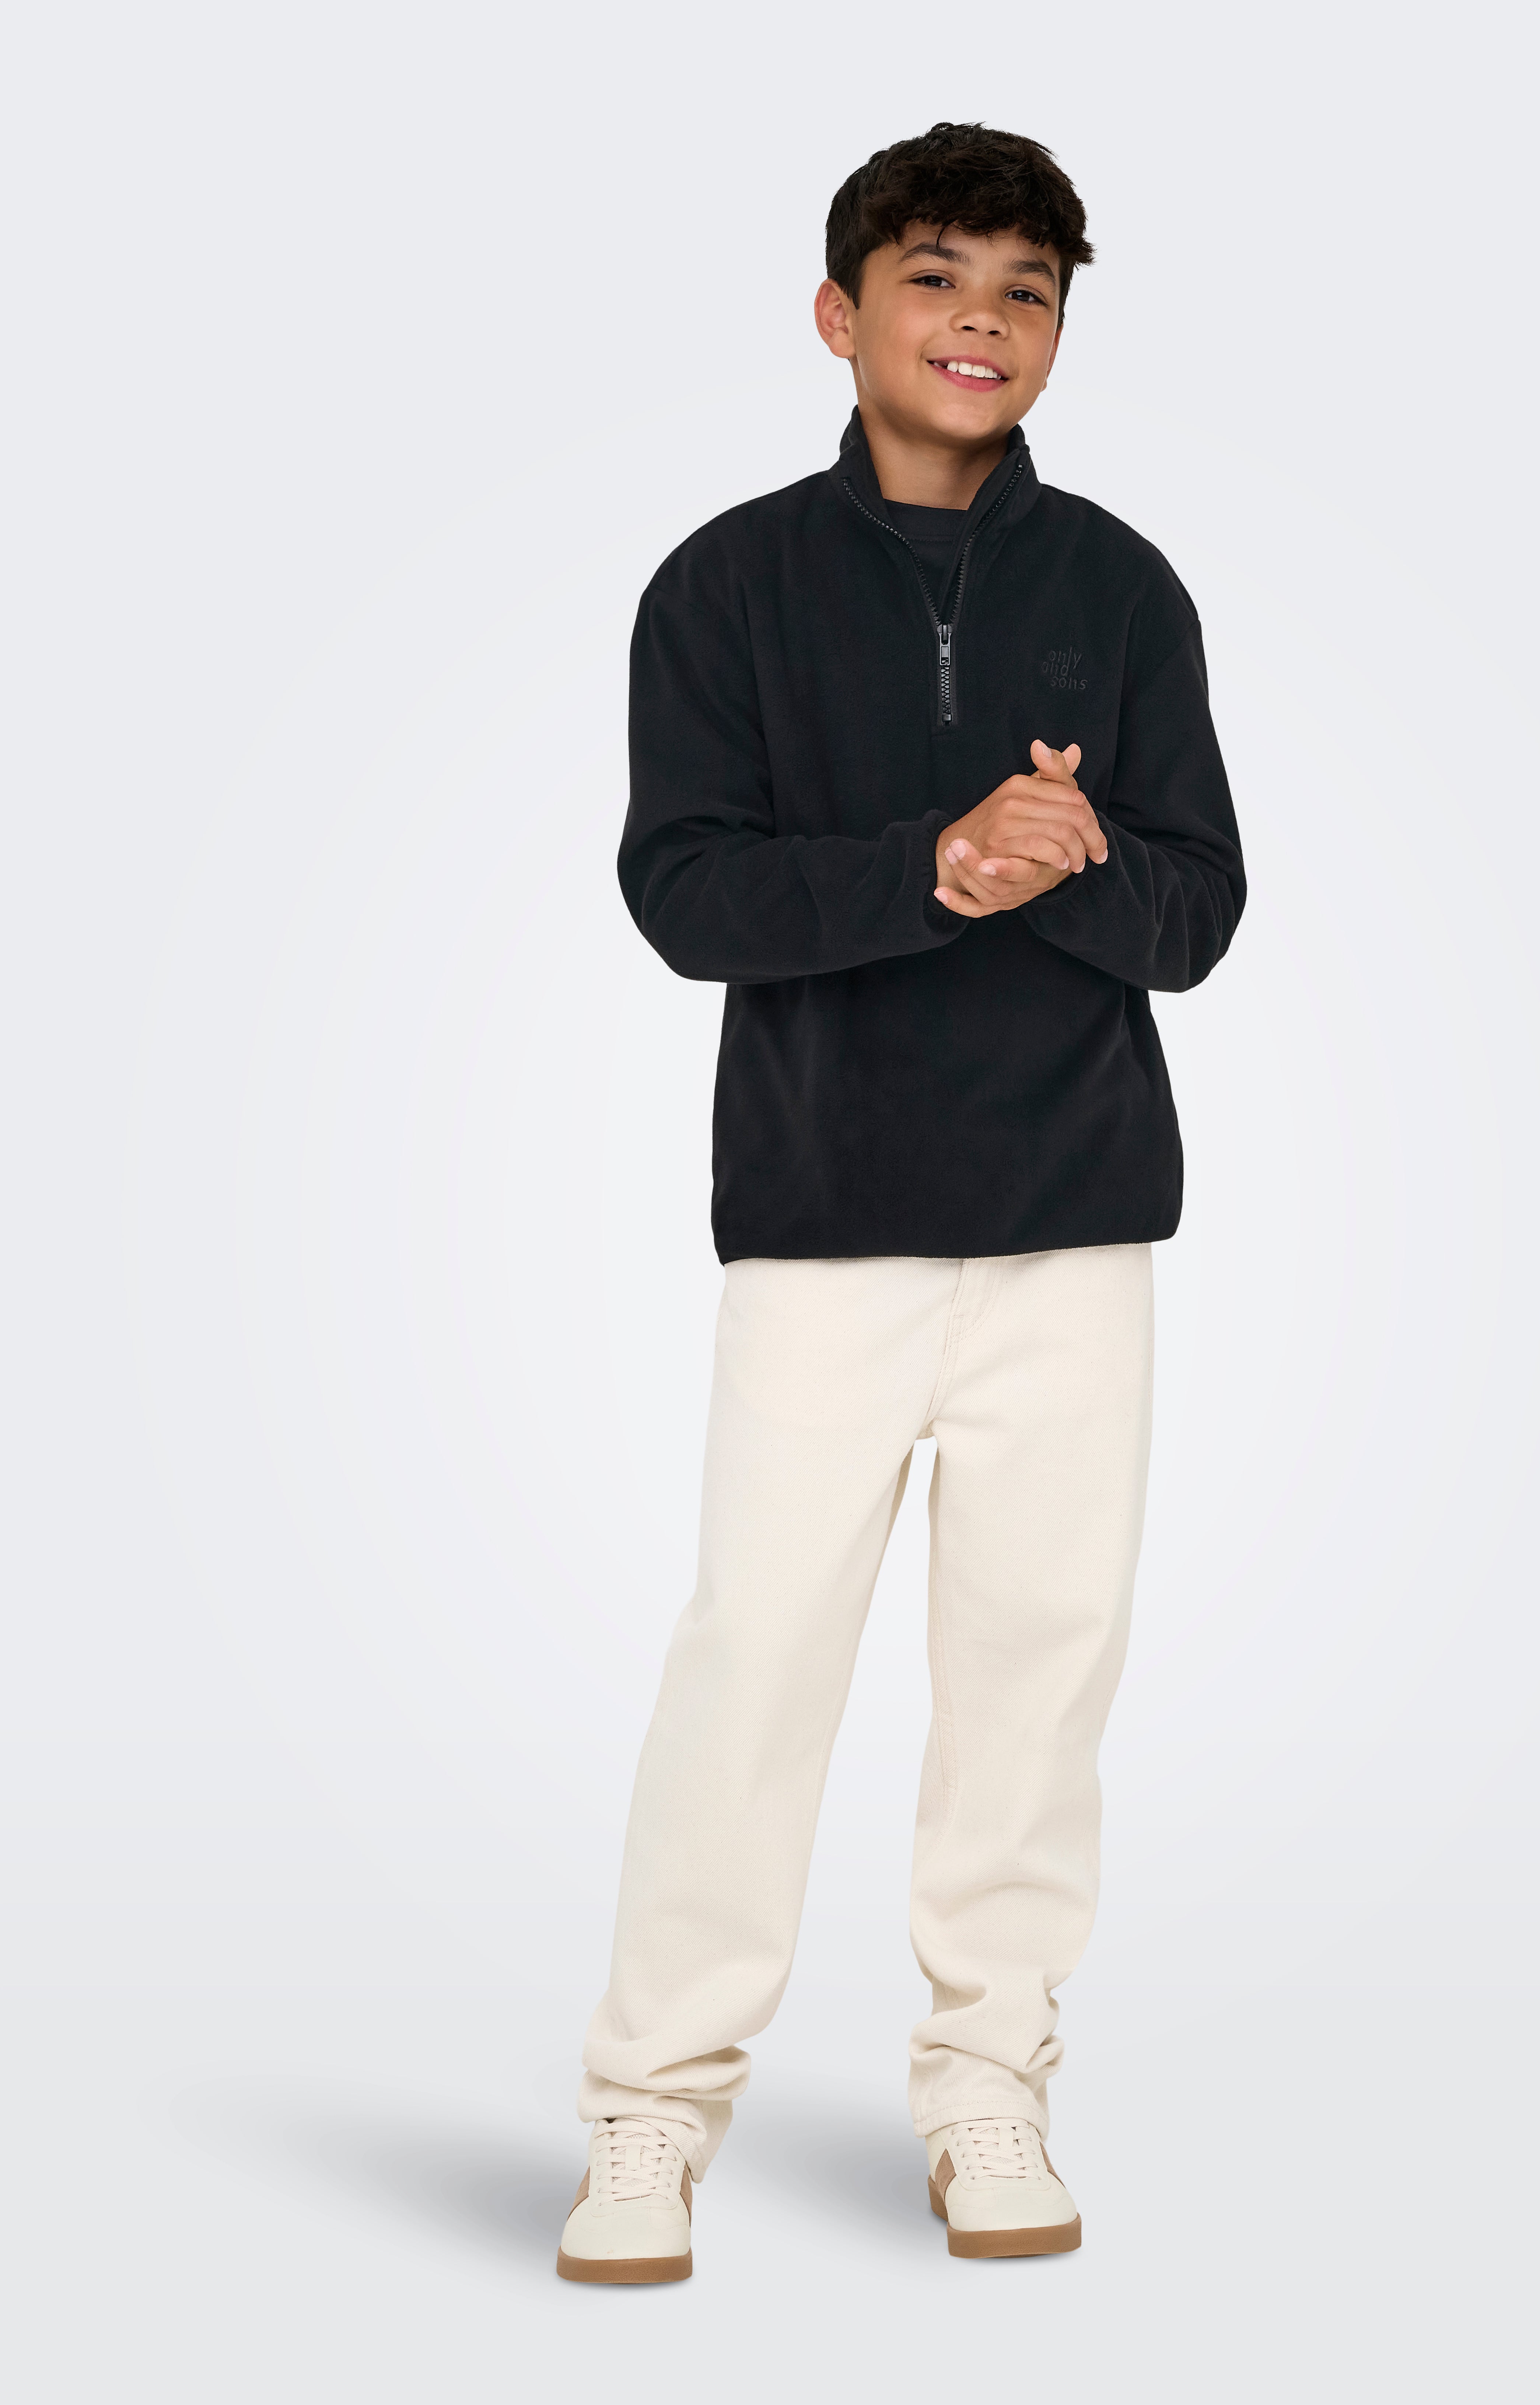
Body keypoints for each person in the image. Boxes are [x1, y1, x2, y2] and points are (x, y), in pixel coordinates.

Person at [557, 120, 1246, 2284]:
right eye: (936, 276)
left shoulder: (1121, 588)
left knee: (1039, 1678)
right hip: (822, 1223)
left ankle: (986, 2081)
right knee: (756, 1665)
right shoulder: (728, 587)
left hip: (1077, 1225)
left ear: (1058, 336)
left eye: (1028, 290)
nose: (982, 320)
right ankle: (652, 2106)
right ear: (840, 313)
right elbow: (685, 893)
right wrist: (937, 866)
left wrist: (1076, 866)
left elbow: (1201, 913)